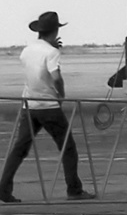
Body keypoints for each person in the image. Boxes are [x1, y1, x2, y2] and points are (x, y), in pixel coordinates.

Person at [1, 11, 94, 203]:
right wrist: (61, 94)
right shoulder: (52, 52)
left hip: (29, 104)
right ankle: (74, 190)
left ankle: (3, 188)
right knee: (67, 147)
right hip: (48, 105)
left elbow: (35, 66)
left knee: (20, 148)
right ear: (55, 30)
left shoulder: (27, 50)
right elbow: (56, 77)